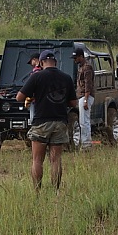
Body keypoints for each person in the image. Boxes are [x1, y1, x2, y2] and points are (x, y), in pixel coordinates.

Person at [16, 50, 78, 189]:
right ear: (55, 62)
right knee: (56, 160)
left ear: (41, 62)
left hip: (41, 122)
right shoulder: (66, 78)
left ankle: (37, 192)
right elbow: (73, 103)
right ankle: (56, 190)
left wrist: (32, 96)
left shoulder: (36, 77)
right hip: (60, 121)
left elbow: (19, 97)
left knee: (37, 160)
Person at [72, 43, 95, 149]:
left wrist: (86, 99)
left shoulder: (87, 67)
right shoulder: (81, 67)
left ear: (81, 56)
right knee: (83, 120)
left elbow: (88, 84)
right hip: (82, 96)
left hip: (85, 96)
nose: (74, 60)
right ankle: (85, 142)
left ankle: (86, 144)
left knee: (84, 121)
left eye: (76, 57)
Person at [25, 53, 42, 122]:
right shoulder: (45, 70)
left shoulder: (36, 72)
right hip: (43, 101)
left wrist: (28, 98)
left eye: (31, 62)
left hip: (36, 101)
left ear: (34, 60)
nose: (31, 64)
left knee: (34, 120)